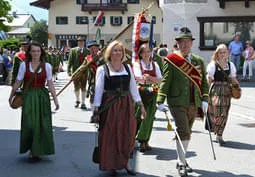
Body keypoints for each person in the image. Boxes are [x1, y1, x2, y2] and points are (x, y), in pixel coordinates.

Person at [156, 27, 209, 177]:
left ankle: (183, 159)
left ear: (191, 43)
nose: (185, 45)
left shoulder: (198, 61)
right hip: (177, 101)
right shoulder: (172, 60)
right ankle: (181, 161)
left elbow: (204, 81)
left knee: (187, 132)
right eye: (182, 42)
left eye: (187, 42)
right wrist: (160, 99)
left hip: (193, 102)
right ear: (177, 43)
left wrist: (205, 98)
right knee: (183, 131)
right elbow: (166, 80)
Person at [92, 40, 146, 176]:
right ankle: (111, 164)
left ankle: (125, 162)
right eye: (115, 50)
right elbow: (98, 91)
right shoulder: (102, 69)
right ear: (109, 53)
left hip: (126, 105)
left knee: (127, 134)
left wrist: (140, 104)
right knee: (110, 134)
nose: (117, 52)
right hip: (110, 105)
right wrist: (96, 110)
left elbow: (133, 88)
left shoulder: (127, 68)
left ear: (122, 53)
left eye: (120, 50)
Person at [8, 42, 59, 162]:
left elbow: (50, 84)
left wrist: (56, 100)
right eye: (33, 51)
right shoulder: (23, 66)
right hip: (29, 96)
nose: (36, 53)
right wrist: (11, 96)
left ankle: (37, 150)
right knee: (29, 123)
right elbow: (18, 82)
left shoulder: (47, 66)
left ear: (41, 52)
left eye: (38, 51)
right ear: (29, 53)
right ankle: (31, 148)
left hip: (42, 96)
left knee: (42, 123)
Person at [207, 44, 239, 146]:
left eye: (224, 52)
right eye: (220, 52)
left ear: (227, 53)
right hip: (215, 90)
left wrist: (237, 88)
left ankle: (219, 135)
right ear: (217, 53)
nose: (222, 54)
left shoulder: (231, 65)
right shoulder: (213, 65)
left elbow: (233, 79)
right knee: (215, 111)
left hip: (226, 91)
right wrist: (204, 94)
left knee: (224, 113)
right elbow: (209, 80)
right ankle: (215, 127)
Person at [133, 43, 162, 152]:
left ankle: (144, 141)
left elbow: (160, 80)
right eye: (144, 52)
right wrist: (151, 79)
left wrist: (149, 78)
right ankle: (135, 139)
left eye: (148, 51)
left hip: (153, 93)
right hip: (140, 93)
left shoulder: (155, 65)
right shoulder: (137, 64)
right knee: (138, 116)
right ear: (140, 53)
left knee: (149, 118)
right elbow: (139, 79)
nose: (146, 54)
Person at [67, 37, 90, 109]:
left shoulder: (87, 51)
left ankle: (83, 103)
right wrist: (68, 70)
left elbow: (90, 61)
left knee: (84, 87)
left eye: (82, 42)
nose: (81, 43)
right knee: (76, 87)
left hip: (84, 72)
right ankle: (77, 100)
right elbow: (70, 61)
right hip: (75, 72)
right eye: (79, 42)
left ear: (84, 43)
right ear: (77, 43)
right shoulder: (73, 50)